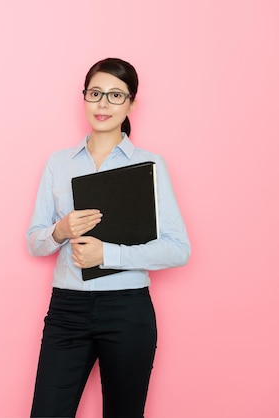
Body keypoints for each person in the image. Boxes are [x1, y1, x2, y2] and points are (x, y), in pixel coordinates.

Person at [27, 58, 191, 418]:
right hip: (67, 311)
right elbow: (34, 241)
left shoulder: (150, 165)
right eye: (95, 93)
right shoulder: (59, 163)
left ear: (132, 103)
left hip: (127, 311)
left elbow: (179, 250)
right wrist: (60, 231)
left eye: (116, 95)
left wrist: (108, 254)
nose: (103, 103)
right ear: (83, 98)